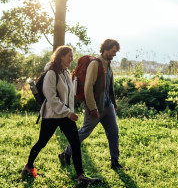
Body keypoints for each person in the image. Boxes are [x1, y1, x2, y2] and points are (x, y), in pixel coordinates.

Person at [22, 46, 97, 184]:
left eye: (72, 55)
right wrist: (68, 112)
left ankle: (80, 176)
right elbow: (52, 98)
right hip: (51, 115)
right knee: (42, 143)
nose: (72, 58)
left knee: (75, 143)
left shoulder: (66, 73)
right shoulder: (51, 74)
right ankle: (28, 167)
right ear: (61, 56)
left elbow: (69, 96)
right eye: (69, 55)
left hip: (65, 115)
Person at [59, 39, 122, 169]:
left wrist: (113, 103)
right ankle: (66, 153)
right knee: (84, 131)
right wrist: (92, 108)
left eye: (116, 51)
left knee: (113, 132)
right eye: (113, 51)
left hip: (108, 105)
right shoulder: (95, 64)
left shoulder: (108, 65)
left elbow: (109, 87)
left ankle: (115, 161)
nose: (115, 54)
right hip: (96, 106)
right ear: (105, 49)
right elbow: (88, 88)